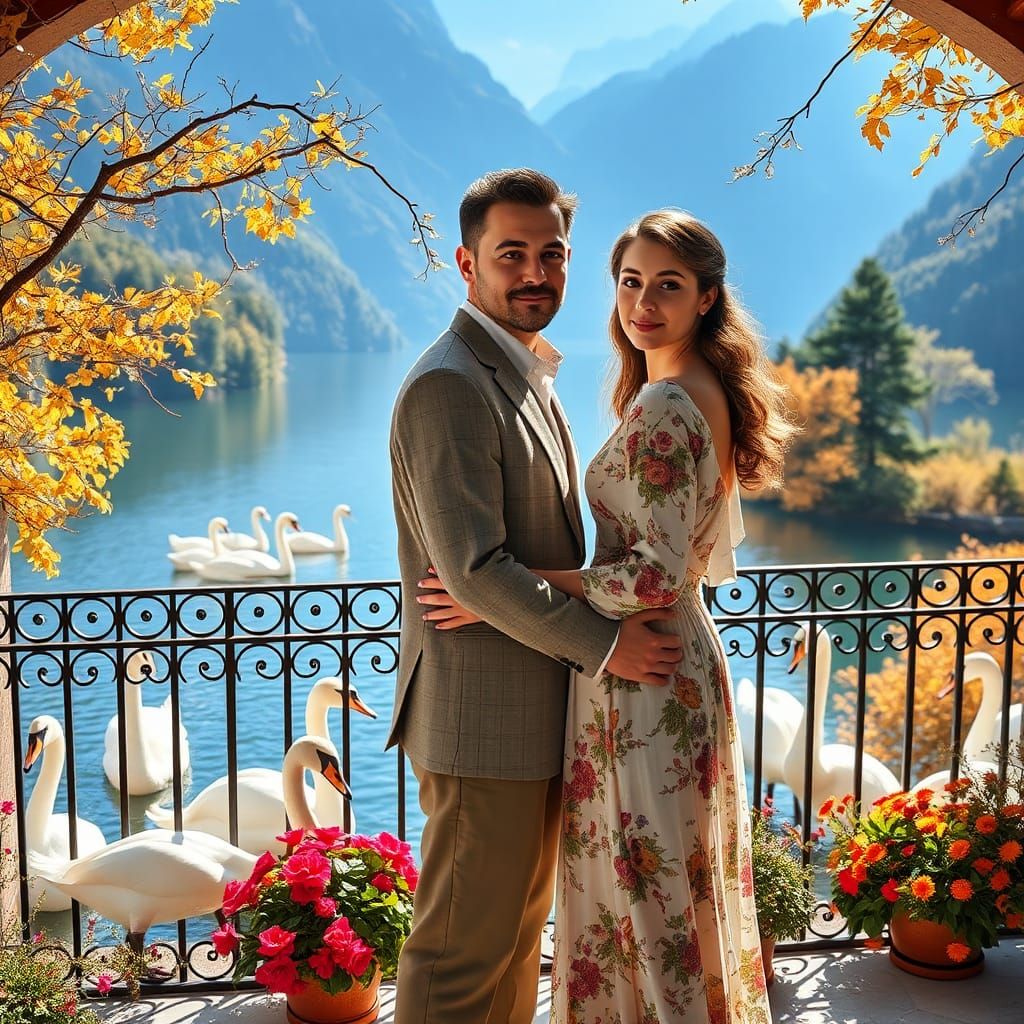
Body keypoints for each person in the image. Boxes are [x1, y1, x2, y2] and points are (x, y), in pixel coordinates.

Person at [421, 209, 795, 1022]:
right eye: (630, 282)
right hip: (669, 661)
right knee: (671, 899)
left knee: (645, 897)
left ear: (706, 299)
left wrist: (507, 578)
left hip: (643, 673)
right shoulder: (695, 391)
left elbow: (654, 574)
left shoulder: (667, 403)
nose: (643, 303)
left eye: (668, 285)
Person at [387, 170, 685, 1024]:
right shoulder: (451, 383)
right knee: (459, 956)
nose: (534, 273)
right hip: (482, 718)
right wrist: (606, 644)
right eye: (510, 254)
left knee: (517, 946)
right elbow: (474, 569)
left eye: (550, 254)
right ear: (466, 262)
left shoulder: (524, 373)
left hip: (531, 710)